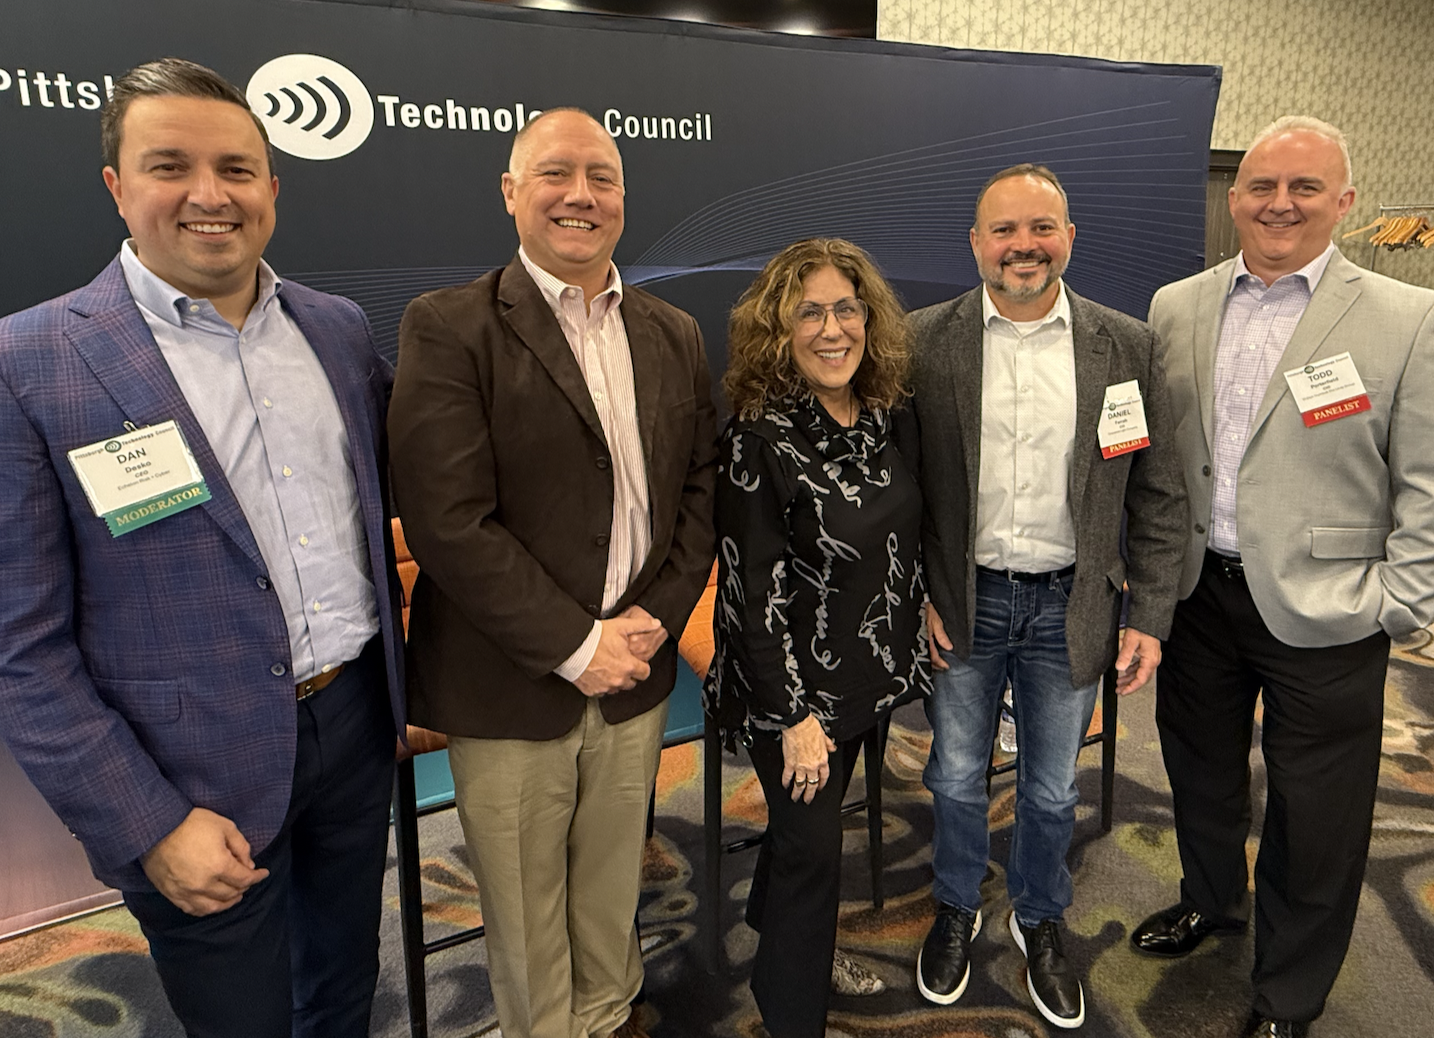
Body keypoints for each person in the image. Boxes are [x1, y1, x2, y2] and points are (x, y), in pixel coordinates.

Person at [0, 58, 406, 1037]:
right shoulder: (32, 363)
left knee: (344, 992)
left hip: (353, 726)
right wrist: (148, 824)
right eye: (170, 165)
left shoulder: (339, 331)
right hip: (186, 779)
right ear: (117, 186)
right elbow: (23, 651)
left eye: (236, 167)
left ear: (273, 185)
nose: (209, 195)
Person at [388, 108, 716, 1038]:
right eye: (555, 174)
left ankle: (608, 1018)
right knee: (527, 909)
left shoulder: (674, 331)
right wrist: (579, 646)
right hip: (511, 680)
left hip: (638, 668)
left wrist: (651, 620)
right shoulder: (449, 326)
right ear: (510, 193)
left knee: (614, 883)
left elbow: (697, 493)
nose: (581, 195)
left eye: (602, 178)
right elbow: (450, 522)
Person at [1131, 116, 1434, 1038]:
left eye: (1306, 187)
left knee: (1319, 813)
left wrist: (1402, 601)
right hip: (1199, 593)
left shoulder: (1407, 317)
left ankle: (1289, 993)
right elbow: (1159, 455)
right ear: (1236, 198)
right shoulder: (1174, 304)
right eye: (1263, 186)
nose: (1281, 204)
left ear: (1344, 202)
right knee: (1201, 773)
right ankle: (1212, 900)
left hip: (1332, 609)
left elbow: (1425, 478)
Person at [908, 164, 1188, 1029]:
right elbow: (898, 489)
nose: (1023, 245)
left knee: (1051, 788)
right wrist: (915, 591)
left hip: (1074, 602)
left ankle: (1039, 916)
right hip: (964, 599)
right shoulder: (924, 341)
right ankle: (957, 902)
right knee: (956, 775)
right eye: (1004, 230)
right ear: (975, 244)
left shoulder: (1127, 344)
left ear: (1070, 237)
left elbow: (1159, 493)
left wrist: (1150, 617)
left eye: (1041, 228)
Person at [704, 237, 930, 1038]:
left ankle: (785, 946)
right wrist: (794, 719)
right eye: (809, 313)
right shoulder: (759, 440)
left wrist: (921, 619)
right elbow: (749, 593)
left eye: (845, 308)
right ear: (779, 331)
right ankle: (790, 1012)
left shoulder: (883, 414)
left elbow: (904, 538)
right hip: (789, 693)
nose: (832, 329)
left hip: (867, 677)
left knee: (808, 841)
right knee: (811, 852)